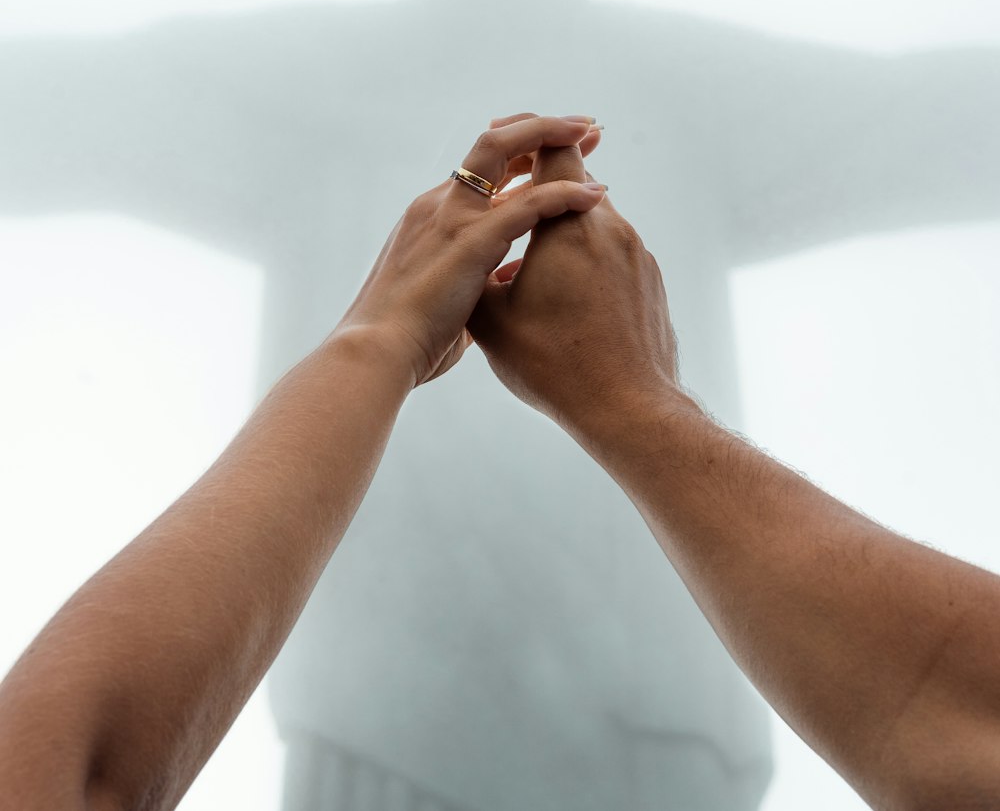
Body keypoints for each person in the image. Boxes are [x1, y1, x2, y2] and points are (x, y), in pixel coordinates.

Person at [2, 112, 999, 811]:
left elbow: (71, 775)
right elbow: (967, 729)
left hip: (642, 732)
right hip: (393, 723)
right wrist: (634, 402)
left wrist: (377, 338)